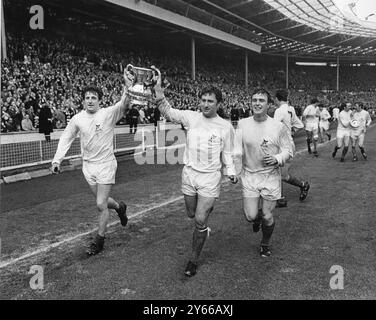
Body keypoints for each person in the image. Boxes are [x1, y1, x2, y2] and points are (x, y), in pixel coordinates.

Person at [152, 66, 238, 277]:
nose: (206, 104)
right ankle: (204, 216)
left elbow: (228, 152)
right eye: (203, 100)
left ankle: (193, 260)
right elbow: (168, 111)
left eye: (210, 101)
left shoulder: (225, 127)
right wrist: (159, 91)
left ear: (219, 104)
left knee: (199, 220)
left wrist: (231, 171)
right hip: (189, 174)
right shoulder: (190, 117)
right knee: (191, 214)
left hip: (210, 177)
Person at [51, 70, 132, 256]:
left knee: (100, 204)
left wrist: (128, 85)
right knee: (102, 201)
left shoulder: (108, 114)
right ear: (83, 100)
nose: (90, 100)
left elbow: (124, 103)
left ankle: (99, 240)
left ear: (99, 100)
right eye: (87, 97)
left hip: (106, 164)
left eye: (93, 97)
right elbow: (66, 138)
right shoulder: (77, 119)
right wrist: (57, 160)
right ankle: (120, 207)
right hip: (88, 166)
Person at [238, 88, 294, 258]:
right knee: (250, 215)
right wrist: (232, 169)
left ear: (269, 104)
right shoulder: (242, 124)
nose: (257, 103)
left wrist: (277, 158)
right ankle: (256, 219)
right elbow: (235, 149)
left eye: (261, 100)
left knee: (268, 216)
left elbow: (288, 150)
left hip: (270, 175)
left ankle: (265, 243)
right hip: (249, 175)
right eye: (254, 100)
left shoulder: (278, 126)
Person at [273, 89, 309, 208]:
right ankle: (300, 186)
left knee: (278, 173)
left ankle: (279, 198)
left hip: (282, 146)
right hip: (289, 144)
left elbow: (273, 129)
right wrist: (291, 132)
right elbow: (300, 125)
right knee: (279, 173)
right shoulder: (291, 109)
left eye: (275, 99)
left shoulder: (279, 111)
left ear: (277, 99)